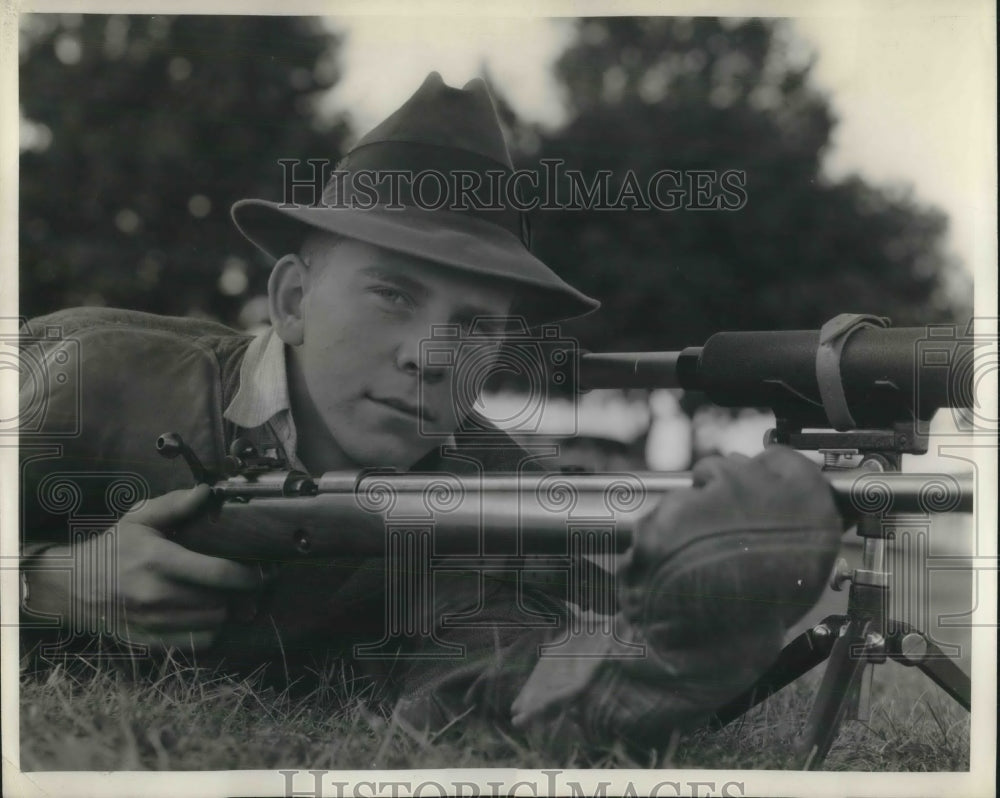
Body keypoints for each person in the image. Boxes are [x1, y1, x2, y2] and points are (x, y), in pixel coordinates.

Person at [18, 72, 842, 755]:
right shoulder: (84, 379)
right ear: (295, 299)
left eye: (478, 325)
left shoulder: (494, 497)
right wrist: (48, 583)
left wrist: (660, 629)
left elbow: (482, 673)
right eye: (392, 294)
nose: (433, 355)